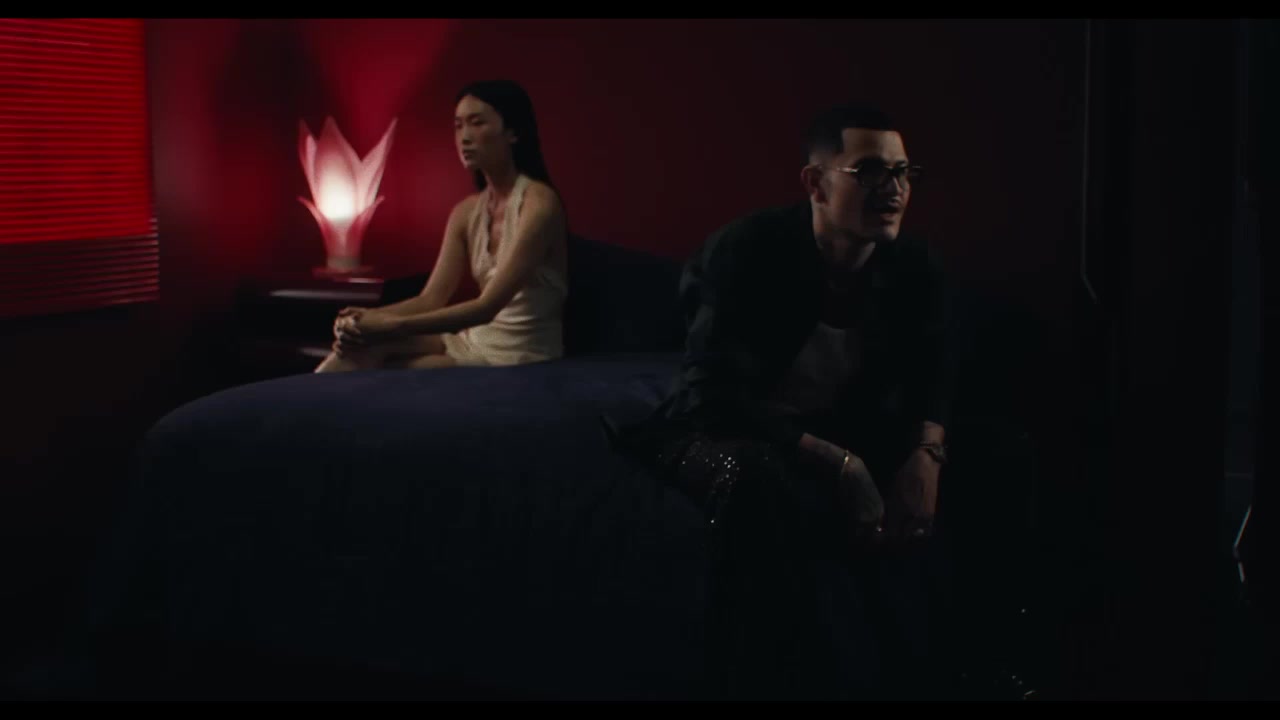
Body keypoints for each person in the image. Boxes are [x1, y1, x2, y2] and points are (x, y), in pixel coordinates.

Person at [610, 103, 953, 699]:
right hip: (731, 428)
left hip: (842, 423)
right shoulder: (745, 250)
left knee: (1005, 452)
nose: (894, 189)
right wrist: (841, 465)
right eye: (871, 171)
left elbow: (934, 370)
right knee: (754, 483)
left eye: (903, 172)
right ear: (816, 184)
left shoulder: (913, 264)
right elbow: (710, 395)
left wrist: (926, 456)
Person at [315, 79, 569, 372]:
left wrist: (389, 325)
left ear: (513, 132)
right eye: (458, 126)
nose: (465, 137)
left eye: (477, 123)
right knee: (364, 343)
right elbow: (431, 298)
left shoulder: (540, 203)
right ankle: (305, 398)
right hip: (477, 338)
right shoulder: (466, 212)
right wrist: (365, 318)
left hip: (521, 353)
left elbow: (487, 307)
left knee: (397, 365)